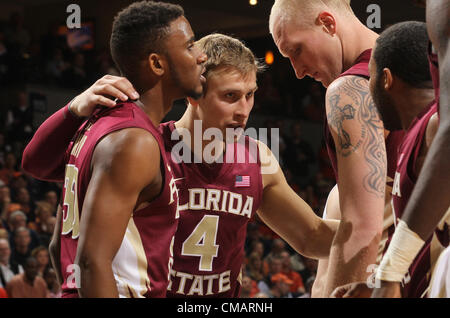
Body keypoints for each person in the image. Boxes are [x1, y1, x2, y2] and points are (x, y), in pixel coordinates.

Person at [22, 33, 339, 298]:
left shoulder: (257, 157)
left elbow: (311, 237)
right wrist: (73, 109)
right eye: (230, 96)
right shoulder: (144, 148)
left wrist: (381, 229)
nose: (244, 111)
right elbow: (60, 238)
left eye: (250, 95)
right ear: (194, 93)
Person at [23, 1, 207, 298]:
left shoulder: (96, 124)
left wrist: (73, 110)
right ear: (157, 64)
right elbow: (91, 263)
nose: (201, 56)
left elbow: (59, 246)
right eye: (189, 46)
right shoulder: (133, 140)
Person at [269, 0, 405, 296]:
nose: (297, 72)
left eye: (296, 51)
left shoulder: (350, 89)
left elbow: (362, 229)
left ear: (328, 24)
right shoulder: (421, 64)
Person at [331, 2, 450, 297]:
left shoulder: (435, 126)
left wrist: (389, 273)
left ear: (385, 79)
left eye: (370, 77)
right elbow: (423, 250)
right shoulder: (416, 131)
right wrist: (376, 286)